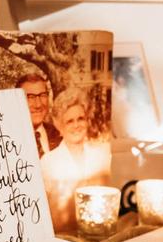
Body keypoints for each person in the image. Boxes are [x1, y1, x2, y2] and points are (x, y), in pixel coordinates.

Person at [42, 87, 111, 232]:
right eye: (69, 121)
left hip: (98, 232)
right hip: (63, 236)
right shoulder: (48, 163)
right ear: (59, 126)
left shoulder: (102, 155)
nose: (76, 125)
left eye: (80, 119)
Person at [16, 73, 61, 158]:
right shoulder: (9, 139)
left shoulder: (59, 133)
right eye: (30, 97)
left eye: (42, 95)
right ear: (17, 100)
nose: (38, 104)